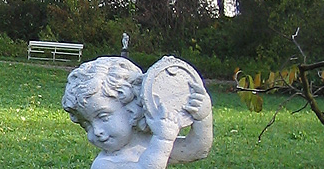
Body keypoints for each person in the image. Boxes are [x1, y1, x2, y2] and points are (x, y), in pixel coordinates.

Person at [61, 57, 213, 169]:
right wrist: (163, 139)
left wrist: (203, 117)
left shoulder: (146, 143)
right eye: (86, 125)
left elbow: (196, 149)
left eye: (103, 116)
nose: (97, 131)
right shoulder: (105, 164)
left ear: (131, 108)